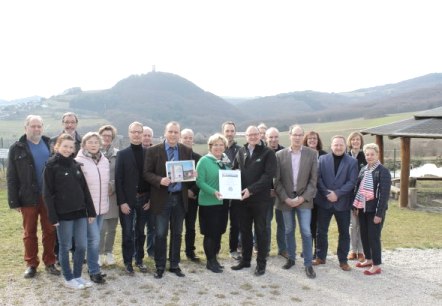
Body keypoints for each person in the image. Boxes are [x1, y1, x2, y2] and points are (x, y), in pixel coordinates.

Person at [7, 115, 60, 278]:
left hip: (48, 197)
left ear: (42, 127)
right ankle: (31, 264)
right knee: (29, 232)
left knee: (50, 231)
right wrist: (14, 201)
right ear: (26, 128)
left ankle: (50, 262)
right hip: (28, 197)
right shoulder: (17, 148)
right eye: (33, 126)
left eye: (39, 126)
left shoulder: (50, 144)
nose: (36, 129)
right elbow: (11, 176)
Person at [43, 134, 96, 290]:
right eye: (65, 146)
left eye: (71, 147)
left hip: (80, 212)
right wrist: (53, 217)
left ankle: (78, 275)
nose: (68, 149)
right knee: (65, 246)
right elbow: (47, 194)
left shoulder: (75, 165)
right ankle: (68, 277)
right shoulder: (51, 166)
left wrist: (91, 211)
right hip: (63, 215)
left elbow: (85, 190)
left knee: (81, 246)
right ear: (57, 147)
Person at [143, 121, 195, 279]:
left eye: (176, 132)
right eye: (170, 132)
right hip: (161, 198)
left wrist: (192, 175)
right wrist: (160, 180)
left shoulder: (186, 150)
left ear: (179, 134)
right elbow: (146, 173)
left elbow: (188, 175)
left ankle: (174, 264)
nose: (173, 135)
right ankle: (160, 266)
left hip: (180, 198)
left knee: (177, 233)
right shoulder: (153, 150)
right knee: (160, 234)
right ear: (165, 133)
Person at [231, 126, 276, 276]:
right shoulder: (241, 151)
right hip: (242, 199)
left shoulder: (268, 153)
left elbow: (268, 176)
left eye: (255, 134)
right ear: (246, 137)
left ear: (260, 135)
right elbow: (234, 170)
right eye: (250, 135)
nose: (253, 137)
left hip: (260, 200)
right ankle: (245, 260)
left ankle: (261, 264)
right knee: (244, 231)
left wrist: (251, 189)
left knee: (261, 231)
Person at [274, 125, 317, 279]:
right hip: (286, 200)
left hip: (304, 200)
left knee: (306, 231)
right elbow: (276, 181)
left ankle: (308, 264)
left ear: (302, 136)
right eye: (295, 135)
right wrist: (286, 198)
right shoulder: (280, 155)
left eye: (300, 135)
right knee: (288, 230)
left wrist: (302, 198)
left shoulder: (312, 154)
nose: (297, 137)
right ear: (290, 136)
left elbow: (313, 182)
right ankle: (291, 258)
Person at [313, 135, 358, 271]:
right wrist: (327, 193)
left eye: (340, 145)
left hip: (342, 203)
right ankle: (321, 257)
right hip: (324, 202)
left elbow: (352, 182)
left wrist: (337, 193)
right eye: (335, 145)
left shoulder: (352, 162)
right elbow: (318, 178)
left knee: (344, 232)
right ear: (331, 146)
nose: (338, 147)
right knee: (321, 231)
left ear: (345, 146)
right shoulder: (322, 159)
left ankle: (343, 260)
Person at [115, 122, 151, 275]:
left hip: (144, 200)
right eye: (133, 132)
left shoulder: (148, 153)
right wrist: (122, 202)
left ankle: (139, 260)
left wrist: (150, 200)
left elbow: (151, 179)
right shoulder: (122, 154)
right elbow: (119, 180)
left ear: (143, 134)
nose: (136, 135)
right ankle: (128, 262)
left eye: (139, 132)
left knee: (140, 232)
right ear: (129, 134)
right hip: (127, 201)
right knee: (128, 233)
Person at [75, 132, 109, 284]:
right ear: (84, 144)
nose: (94, 144)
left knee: (95, 238)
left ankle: (92, 267)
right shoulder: (78, 162)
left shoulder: (105, 160)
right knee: (94, 239)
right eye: (90, 142)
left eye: (96, 142)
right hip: (89, 209)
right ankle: (94, 270)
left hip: (102, 207)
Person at [353, 143, 391, 275]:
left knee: (374, 237)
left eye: (372, 154)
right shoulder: (363, 169)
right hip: (362, 208)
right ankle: (368, 259)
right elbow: (357, 189)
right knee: (364, 235)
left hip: (375, 211)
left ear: (377, 154)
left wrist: (379, 214)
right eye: (367, 154)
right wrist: (356, 206)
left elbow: (384, 195)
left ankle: (376, 265)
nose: (369, 157)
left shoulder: (383, 171)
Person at [196, 133, 230, 273]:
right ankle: (210, 262)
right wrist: (213, 192)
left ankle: (215, 258)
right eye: (215, 145)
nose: (218, 147)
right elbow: (199, 182)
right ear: (210, 146)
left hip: (223, 203)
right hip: (208, 203)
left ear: (225, 147)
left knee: (219, 232)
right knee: (210, 233)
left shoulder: (225, 162)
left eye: (221, 145)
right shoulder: (204, 161)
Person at [303, 131, 327, 259]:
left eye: (315, 138)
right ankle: (307, 249)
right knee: (307, 225)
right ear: (306, 140)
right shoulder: (302, 154)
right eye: (310, 138)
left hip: (320, 195)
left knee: (318, 225)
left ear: (318, 140)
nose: (312, 140)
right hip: (307, 195)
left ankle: (317, 252)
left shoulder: (324, 155)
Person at [98, 125, 119, 266]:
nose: (106, 138)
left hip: (113, 194)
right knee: (101, 227)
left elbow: (121, 174)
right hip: (98, 195)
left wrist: (112, 186)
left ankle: (109, 252)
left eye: (109, 136)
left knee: (112, 226)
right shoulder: (93, 152)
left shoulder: (118, 154)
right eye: (104, 135)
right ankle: (98, 253)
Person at [264, 127, 287, 258]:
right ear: (266, 138)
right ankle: (265, 249)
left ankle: (282, 249)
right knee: (265, 222)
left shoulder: (285, 152)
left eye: (275, 137)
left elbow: (287, 173)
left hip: (281, 194)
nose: (273, 139)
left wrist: (279, 190)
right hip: (265, 194)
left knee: (282, 223)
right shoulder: (261, 152)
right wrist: (268, 189)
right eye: (270, 137)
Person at [221, 121, 242, 261]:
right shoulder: (217, 149)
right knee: (219, 223)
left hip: (235, 193)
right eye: (227, 131)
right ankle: (214, 251)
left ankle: (233, 249)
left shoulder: (241, 150)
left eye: (231, 131)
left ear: (235, 132)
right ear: (223, 132)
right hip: (219, 193)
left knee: (236, 223)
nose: (229, 133)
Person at [180, 128, 201, 262]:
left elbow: (201, 179)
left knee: (191, 226)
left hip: (192, 198)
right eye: (185, 137)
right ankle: (174, 252)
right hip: (177, 197)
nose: (188, 140)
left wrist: (192, 191)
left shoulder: (199, 158)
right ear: (180, 139)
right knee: (176, 227)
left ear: (193, 140)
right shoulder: (175, 157)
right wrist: (183, 191)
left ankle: (190, 251)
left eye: (190, 138)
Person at [347, 131, 367, 261]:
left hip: (363, 196)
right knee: (352, 224)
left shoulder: (365, 156)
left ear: (361, 142)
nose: (355, 142)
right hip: (349, 196)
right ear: (350, 141)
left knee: (362, 224)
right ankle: (352, 250)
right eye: (353, 139)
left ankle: (361, 251)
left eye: (358, 140)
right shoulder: (345, 156)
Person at [142, 126, 156, 257]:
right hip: (139, 195)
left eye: (148, 135)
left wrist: (152, 199)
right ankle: (137, 252)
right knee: (138, 227)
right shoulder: (136, 152)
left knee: (152, 226)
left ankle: (151, 251)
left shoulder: (157, 152)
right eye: (144, 135)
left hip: (154, 195)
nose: (146, 137)